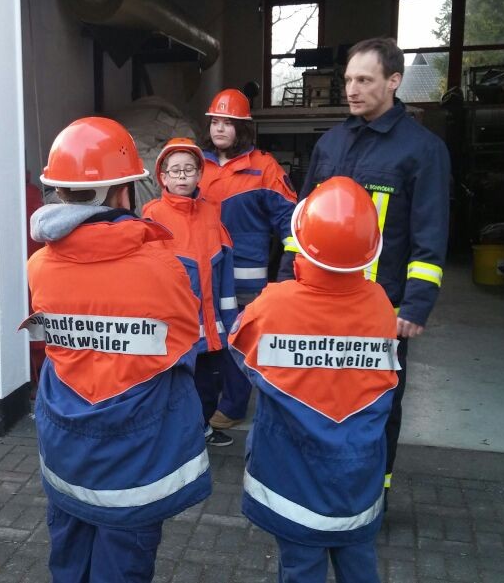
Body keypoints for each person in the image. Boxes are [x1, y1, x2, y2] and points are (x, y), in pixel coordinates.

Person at [23, 117, 211, 582]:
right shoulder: (162, 267)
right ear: (123, 193)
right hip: (134, 455)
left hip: (66, 446)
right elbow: (184, 340)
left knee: (69, 561)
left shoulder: (40, 265)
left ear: (59, 191)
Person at [299, 38, 450, 504]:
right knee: (319, 395)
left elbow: (430, 236)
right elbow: (299, 223)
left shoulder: (423, 150)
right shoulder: (331, 142)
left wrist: (416, 305)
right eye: (348, 79)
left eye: (364, 80)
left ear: (394, 81)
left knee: (378, 404)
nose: (352, 89)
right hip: (321, 301)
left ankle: (372, 494)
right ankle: (320, 485)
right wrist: (288, 282)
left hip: (382, 309)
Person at [229, 177, 399, 583]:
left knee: (301, 568)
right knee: (359, 563)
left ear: (300, 241)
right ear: (369, 251)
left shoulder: (274, 304)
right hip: (358, 478)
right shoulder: (380, 304)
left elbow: (242, 355)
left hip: (292, 476)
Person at [199, 87, 298, 431]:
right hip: (205, 272)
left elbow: (290, 222)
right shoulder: (197, 164)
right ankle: (206, 401)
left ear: (244, 128)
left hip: (245, 276)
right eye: (215, 122)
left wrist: (292, 274)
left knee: (237, 341)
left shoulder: (264, 168)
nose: (220, 129)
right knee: (207, 338)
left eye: (228, 122)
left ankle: (234, 405)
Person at [141, 137, 237, 447]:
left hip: (210, 327)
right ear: (163, 178)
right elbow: (147, 277)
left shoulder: (211, 213)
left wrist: (229, 322)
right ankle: (178, 438)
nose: (182, 176)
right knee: (173, 386)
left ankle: (202, 430)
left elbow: (223, 269)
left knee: (207, 386)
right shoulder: (152, 215)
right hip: (174, 328)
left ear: (199, 175)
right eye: (175, 171)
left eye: (189, 170)